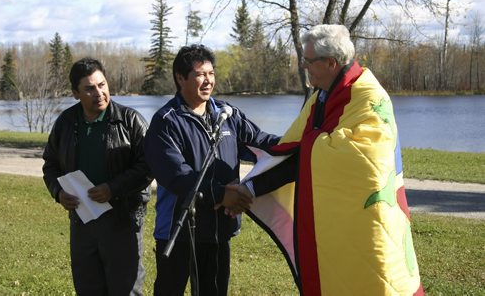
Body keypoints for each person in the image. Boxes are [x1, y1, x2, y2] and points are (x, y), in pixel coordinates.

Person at [239, 25, 424, 295]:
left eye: (309, 61)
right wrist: (251, 188)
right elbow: (293, 150)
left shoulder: (368, 95)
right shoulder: (320, 97)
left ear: (330, 63)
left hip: (367, 221)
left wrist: (313, 142)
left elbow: (366, 159)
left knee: (375, 278)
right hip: (335, 223)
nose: (304, 66)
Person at [144, 44, 280, 296]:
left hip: (219, 229)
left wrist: (301, 142)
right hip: (179, 230)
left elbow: (261, 143)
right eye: (200, 74)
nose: (208, 81)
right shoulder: (166, 122)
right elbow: (177, 176)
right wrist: (220, 194)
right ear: (180, 78)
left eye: (211, 73)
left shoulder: (227, 114)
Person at [42, 57, 152, 295]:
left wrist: (113, 188)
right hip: (82, 223)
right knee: (88, 288)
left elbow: (148, 166)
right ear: (75, 93)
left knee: (126, 290)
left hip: (123, 221)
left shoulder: (131, 121)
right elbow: (50, 164)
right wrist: (58, 193)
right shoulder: (66, 122)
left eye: (102, 85)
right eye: (90, 88)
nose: (99, 93)